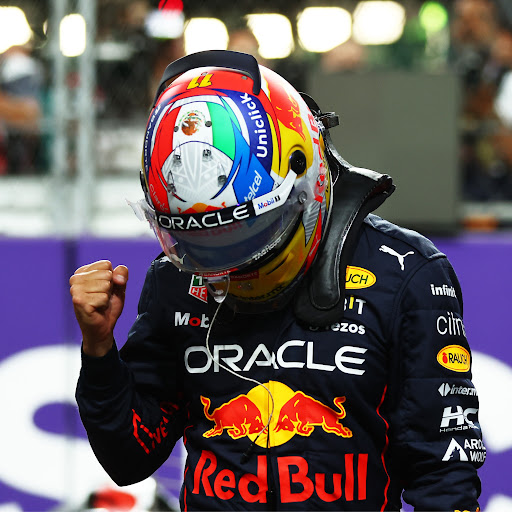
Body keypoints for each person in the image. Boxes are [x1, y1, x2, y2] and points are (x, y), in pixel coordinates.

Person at [71, 50, 485, 511]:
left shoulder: (406, 273)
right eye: (205, 241)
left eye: (243, 231)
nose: (227, 263)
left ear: (304, 179)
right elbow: (130, 457)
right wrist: (99, 350)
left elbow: (443, 474)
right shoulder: (175, 278)